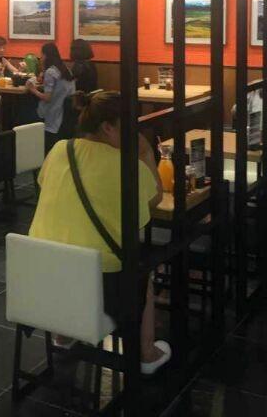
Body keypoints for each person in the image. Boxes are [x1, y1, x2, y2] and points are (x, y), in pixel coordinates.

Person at [28, 91, 170, 374]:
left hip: (37, 276)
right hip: (98, 285)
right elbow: (154, 198)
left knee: (67, 244)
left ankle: (63, 334)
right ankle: (147, 353)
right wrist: (145, 153)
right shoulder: (126, 165)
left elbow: (46, 184)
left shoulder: (60, 149)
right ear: (108, 127)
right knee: (141, 273)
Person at [28, 42, 77, 152]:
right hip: (66, 113)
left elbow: (47, 98)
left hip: (53, 113)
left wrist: (32, 89)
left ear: (45, 56)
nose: (41, 58)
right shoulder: (65, 69)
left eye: (41, 55)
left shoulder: (51, 72)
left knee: (24, 111)